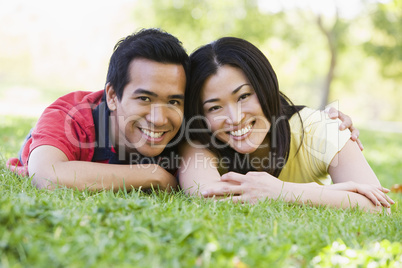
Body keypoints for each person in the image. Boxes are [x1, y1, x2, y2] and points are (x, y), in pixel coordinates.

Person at [179, 37, 394, 212]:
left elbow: (380, 207)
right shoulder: (200, 139)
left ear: (266, 86)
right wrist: (334, 193)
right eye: (214, 108)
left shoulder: (320, 128)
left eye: (244, 96)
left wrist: (282, 191)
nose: (235, 118)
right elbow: (209, 197)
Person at [6, 28, 189, 191]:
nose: (159, 119)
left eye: (173, 102)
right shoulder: (71, 115)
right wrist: (153, 175)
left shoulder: (189, 128)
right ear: (112, 96)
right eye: (144, 99)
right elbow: (47, 176)